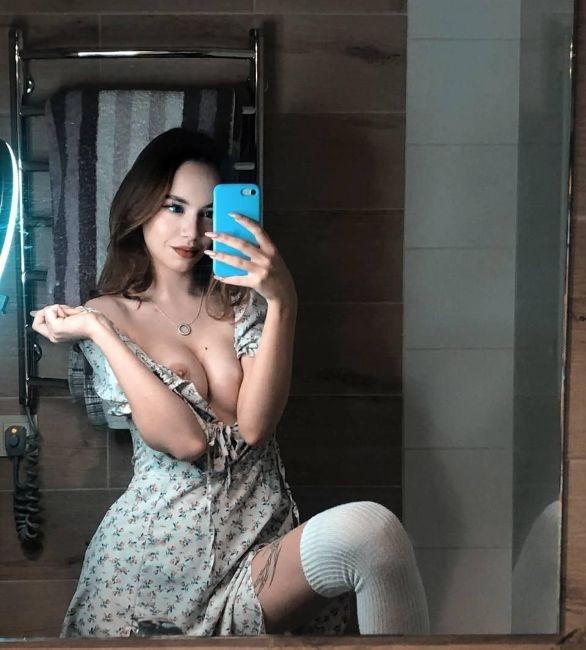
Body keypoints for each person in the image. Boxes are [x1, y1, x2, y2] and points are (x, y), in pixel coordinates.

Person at [32, 127, 429, 638]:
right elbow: (185, 441)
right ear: (141, 209)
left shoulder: (243, 301)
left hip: (255, 549)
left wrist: (284, 299)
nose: (191, 231)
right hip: (153, 567)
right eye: (174, 207)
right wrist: (98, 330)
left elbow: (256, 427)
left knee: (374, 533)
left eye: (207, 213)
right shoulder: (107, 315)